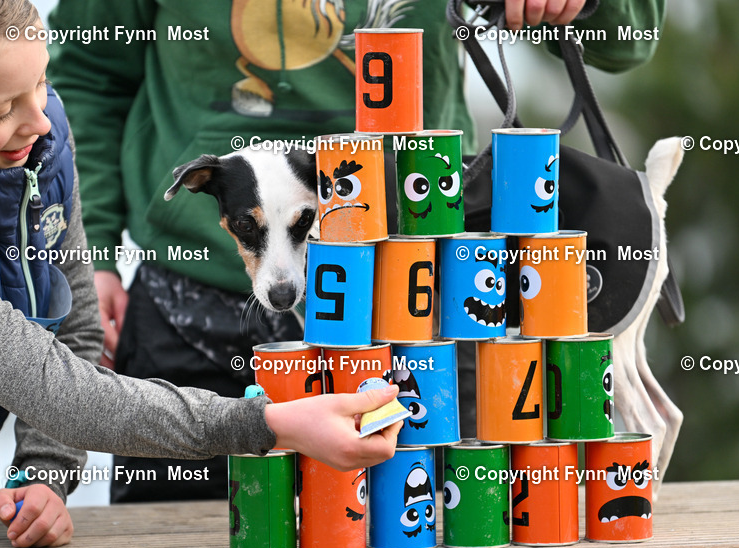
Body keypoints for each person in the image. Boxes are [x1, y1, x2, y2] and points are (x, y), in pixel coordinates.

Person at [0, 0, 403, 546]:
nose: (37, 120)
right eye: (0, 109)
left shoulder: (38, 140)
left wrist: (41, 471)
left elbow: (70, 329)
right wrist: (273, 425)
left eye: (39, 85)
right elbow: (58, 388)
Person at [47, 0, 665, 502]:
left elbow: (629, 36)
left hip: (420, 311)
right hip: (189, 309)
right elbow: (87, 73)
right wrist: (90, 247)